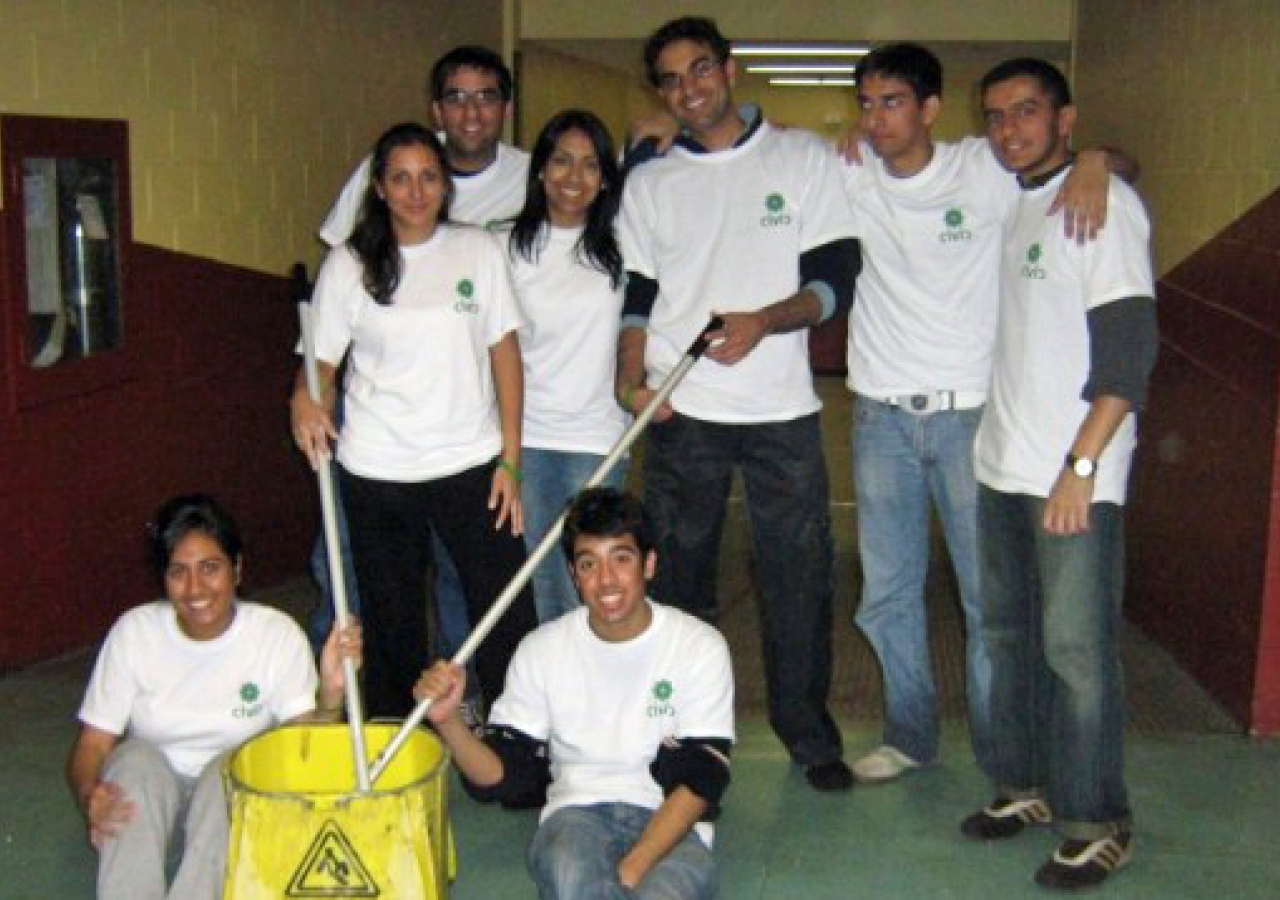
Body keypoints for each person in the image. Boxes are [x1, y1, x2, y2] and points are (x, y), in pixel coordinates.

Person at [838, 44, 1134, 784]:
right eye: (866, 104)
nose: (877, 120)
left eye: (893, 102)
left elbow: (1091, 170)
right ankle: (909, 734)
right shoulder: (849, 170)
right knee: (888, 593)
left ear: (931, 109)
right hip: (879, 419)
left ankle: (1002, 754)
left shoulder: (986, 168)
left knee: (988, 603)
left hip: (973, 416)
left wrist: (1097, 158)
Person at [614, 16, 860, 791]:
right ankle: (683, 733)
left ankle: (809, 736)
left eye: (700, 69)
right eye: (672, 79)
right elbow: (636, 296)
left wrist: (764, 321)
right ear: (660, 90)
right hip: (683, 415)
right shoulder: (650, 181)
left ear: (730, 67)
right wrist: (631, 383)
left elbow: (834, 278)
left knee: (799, 576)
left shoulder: (802, 157)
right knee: (679, 582)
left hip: (782, 412)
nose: (689, 89)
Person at [962, 58, 1156, 890]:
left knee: (1076, 653)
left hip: (1072, 477)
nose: (1011, 128)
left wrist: (1080, 467)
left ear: (1065, 117)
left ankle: (1097, 819)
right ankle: (1027, 789)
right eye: (997, 115)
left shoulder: (1102, 209)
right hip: (1004, 466)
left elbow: (1128, 354)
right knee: (1011, 644)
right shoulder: (1023, 204)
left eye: (1028, 112)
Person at [290, 122, 537, 718]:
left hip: (471, 460)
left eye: (429, 176)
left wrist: (510, 458)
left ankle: (518, 728)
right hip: (378, 468)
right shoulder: (351, 264)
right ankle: (396, 735)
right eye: (400, 178)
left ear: (446, 186)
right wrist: (303, 399)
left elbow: (504, 355)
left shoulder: (478, 249)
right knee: (392, 614)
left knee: (504, 605)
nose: (416, 191)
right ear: (379, 188)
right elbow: (319, 364)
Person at [415, 487, 734, 899]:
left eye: (621, 559)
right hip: (575, 817)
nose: (606, 581)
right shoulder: (542, 649)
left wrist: (632, 868)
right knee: (571, 877)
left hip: (670, 819)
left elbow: (702, 779)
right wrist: (448, 721)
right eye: (588, 564)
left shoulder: (698, 645)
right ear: (573, 575)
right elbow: (498, 775)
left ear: (649, 564)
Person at [65, 493, 362, 900]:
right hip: (153, 804)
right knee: (133, 762)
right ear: (163, 579)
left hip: (233, 808)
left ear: (236, 569)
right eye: (178, 572)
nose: (195, 589)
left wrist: (331, 694)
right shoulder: (134, 632)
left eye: (210, 568)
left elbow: (302, 750)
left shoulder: (276, 635)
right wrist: (90, 797)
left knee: (234, 770)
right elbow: (94, 743)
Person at [503, 109, 631, 622]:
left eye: (589, 165)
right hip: (527, 437)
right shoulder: (505, 247)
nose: (574, 178)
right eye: (561, 162)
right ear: (540, 170)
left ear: (605, 179)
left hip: (597, 437)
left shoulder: (624, 249)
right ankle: (548, 695)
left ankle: (596, 692)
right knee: (537, 579)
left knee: (594, 578)